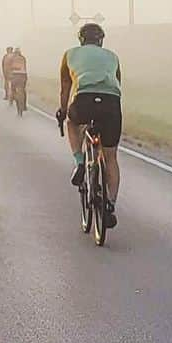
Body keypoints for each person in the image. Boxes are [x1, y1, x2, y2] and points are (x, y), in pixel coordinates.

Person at [56, 22, 122, 228]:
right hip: (111, 103)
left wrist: (63, 109)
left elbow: (65, 86)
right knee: (110, 156)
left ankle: (80, 162)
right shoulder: (113, 56)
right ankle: (110, 204)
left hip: (84, 98)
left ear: (81, 40)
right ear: (101, 41)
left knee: (72, 123)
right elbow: (118, 84)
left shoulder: (69, 54)